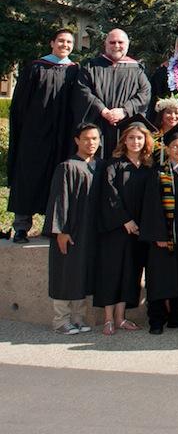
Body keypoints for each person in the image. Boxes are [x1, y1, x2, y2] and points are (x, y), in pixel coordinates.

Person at [8, 28, 80, 243]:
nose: (65, 45)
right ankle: (21, 226)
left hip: (62, 133)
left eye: (69, 42)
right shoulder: (35, 67)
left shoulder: (75, 70)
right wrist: (24, 130)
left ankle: (52, 226)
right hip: (35, 133)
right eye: (61, 41)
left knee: (57, 178)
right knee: (28, 176)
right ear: (52, 43)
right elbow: (20, 105)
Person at [94, 114, 155, 335]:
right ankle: (108, 318)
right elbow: (110, 195)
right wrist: (125, 220)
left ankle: (121, 317)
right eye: (131, 138)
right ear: (124, 141)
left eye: (139, 138)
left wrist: (142, 225)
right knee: (112, 271)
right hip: (116, 229)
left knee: (131, 273)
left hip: (139, 230)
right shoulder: (114, 165)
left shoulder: (149, 167)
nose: (135, 142)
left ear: (145, 140)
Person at [43, 123, 103, 334]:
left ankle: (78, 317)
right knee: (66, 272)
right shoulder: (67, 166)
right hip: (71, 230)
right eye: (86, 138)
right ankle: (61, 320)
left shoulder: (100, 166)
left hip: (91, 231)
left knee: (82, 274)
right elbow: (59, 201)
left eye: (95, 138)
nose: (91, 142)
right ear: (77, 140)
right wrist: (60, 231)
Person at [139, 125, 178, 335]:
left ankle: (177, 316)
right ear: (168, 148)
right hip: (164, 235)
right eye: (174, 146)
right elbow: (151, 208)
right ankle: (156, 319)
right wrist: (159, 235)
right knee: (159, 277)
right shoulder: (157, 174)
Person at [75, 28, 152, 159]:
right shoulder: (91, 67)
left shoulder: (136, 69)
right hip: (98, 124)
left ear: (127, 45)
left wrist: (124, 111)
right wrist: (103, 110)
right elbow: (82, 90)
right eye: (112, 42)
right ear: (105, 44)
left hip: (125, 126)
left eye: (120, 42)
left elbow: (145, 93)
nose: (116, 46)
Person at [151, 96, 178, 165]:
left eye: (176, 113)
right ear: (161, 114)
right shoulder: (152, 137)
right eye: (168, 112)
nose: (173, 116)